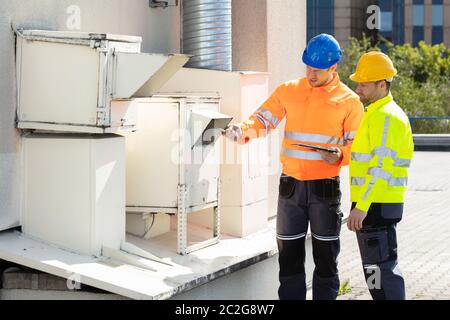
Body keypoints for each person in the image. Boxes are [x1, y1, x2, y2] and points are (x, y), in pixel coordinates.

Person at [223, 34, 364, 300]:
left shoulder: (349, 101)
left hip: (325, 189)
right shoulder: (289, 90)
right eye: (308, 67)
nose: (311, 74)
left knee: (325, 259)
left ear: (333, 68)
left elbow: (357, 148)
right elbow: (262, 119)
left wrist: (340, 155)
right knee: (288, 258)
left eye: (317, 70)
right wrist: (241, 131)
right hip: (290, 188)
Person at [347, 51, 414, 300]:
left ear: (382, 84)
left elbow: (381, 168)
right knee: (376, 271)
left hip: (376, 206)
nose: (358, 89)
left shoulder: (386, 116)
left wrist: (362, 207)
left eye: (364, 84)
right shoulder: (376, 113)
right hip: (375, 204)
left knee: (382, 272)